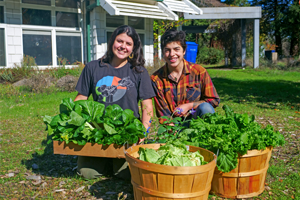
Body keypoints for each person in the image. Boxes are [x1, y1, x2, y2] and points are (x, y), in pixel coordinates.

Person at [74, 25, 155, 180]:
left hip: (126, 134)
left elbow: (147, 106)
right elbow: (81, 99)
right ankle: (103, 159)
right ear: (113, 41)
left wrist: (144, 131)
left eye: (128, 44)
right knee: (87, 173)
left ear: (134, 48)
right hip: (98, 132)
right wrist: (71, 120)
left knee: (125, 175)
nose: (123, 46)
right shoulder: (93, 67)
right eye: (120, 41)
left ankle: (112, 162)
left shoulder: (139, 72)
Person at [151, 29, 220, 124]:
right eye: (167, 50)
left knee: (206, 108)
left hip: (197, 123)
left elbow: (214, 100)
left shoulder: (199, 72)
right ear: (163, 52)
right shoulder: (156, 79)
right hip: (174, 126)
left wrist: (189, 106)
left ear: (184, 51)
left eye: (176, 49)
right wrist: (173, 134)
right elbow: (163, 115)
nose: (172, 54)